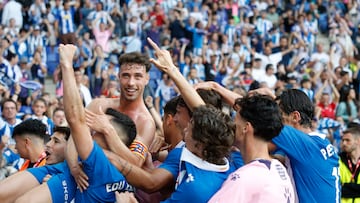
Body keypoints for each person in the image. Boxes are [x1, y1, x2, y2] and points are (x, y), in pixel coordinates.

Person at [0, 44, 137, 203]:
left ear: (112, 137)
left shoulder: (101, 163)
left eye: (99, 127)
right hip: (67, 170)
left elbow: (75, 119)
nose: (92, 129)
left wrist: (66, 64)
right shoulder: (84, 162)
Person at [209, 95, 295, 203]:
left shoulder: (245, 178)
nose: (231, 126)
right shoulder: (278, 168)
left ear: (246, 128)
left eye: (235, 121)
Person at [87, 51, 156, 166]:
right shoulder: (99, 105)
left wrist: (108, 130)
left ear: (147, 79)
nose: (131, 83)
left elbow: (135, 163)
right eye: (126, 75)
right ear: (118, 76)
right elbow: (75, 136)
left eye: (138, 76)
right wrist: (74, 167)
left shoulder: (145, 123)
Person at [339, 127, 360, 203]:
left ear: (358, 141)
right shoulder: (337, 160)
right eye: (343, 140)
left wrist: (346, 186)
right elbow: (336, 187)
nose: (344, 143)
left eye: (347, 140)